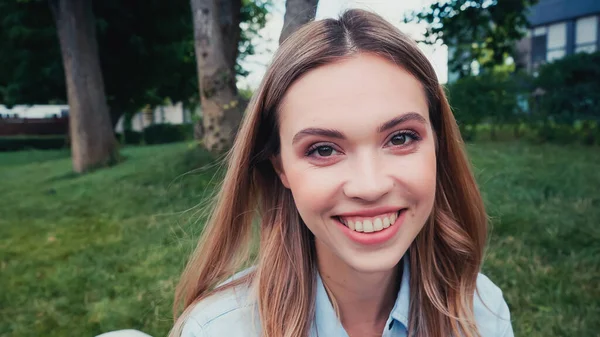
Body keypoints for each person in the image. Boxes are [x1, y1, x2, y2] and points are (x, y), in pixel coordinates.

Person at [170, 9, 513, 337]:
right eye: (323, 149)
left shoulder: (481, 313)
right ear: (281, 168)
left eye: (401, 138)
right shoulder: (216, 330)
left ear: (438, 147)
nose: (370, 186)